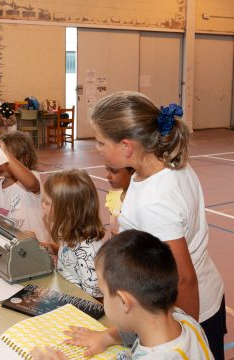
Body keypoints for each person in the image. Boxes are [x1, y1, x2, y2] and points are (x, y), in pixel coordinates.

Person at [90, 91, 225, 359]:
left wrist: (184, 339)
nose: (98, 148)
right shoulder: (168, 165)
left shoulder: (155, 202)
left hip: (186, 312)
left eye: (101, 142)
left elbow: (183, 279)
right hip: (196, 302)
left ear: (126, 147)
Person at [31, 230, 213, 360]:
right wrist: (108, 336)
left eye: (103, 292)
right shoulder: (182, 320)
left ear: (124, 302)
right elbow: (138, 327)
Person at [41, 169, 106, 299]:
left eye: (47, 203)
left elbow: (95, 298)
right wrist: (47, 247)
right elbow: (68, 254)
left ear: (68, 210)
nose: (42, 206)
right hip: (64, 294)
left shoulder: (87, 251)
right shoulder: (67, 229)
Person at [0, 131, 49, 243]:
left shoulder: (32, 177)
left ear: (24, 159)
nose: (0, 163)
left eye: (4, 159)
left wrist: (6, 153)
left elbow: (31, 184)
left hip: (37, 251)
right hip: (12, 253)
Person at [103, 166, 135, 236]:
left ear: (132, 172)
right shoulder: (114, 198)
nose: (108, 176)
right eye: (107, 170)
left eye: (114, 171)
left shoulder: (138, 202)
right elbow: (113, 228)